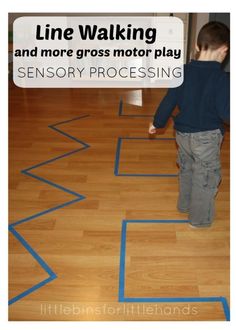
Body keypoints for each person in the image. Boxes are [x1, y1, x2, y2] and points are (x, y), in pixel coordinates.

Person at [149, 21, 230, 227]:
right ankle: (199, 219)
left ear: (196, 45)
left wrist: (157, 123)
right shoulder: (223, 79)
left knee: (187, 168)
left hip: (182, 135)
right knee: (205, 176)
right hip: (207, 138)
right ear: (224, 50)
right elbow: (225, 112)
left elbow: (169, 100)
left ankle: (184, 204)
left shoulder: (181, 71)